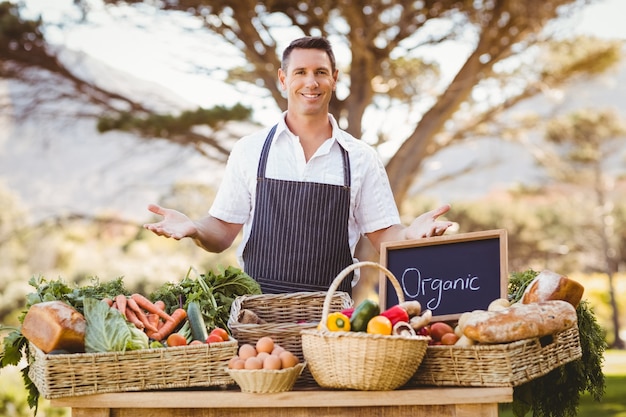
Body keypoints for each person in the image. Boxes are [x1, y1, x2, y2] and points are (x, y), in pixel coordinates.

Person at [144, 36, 453, 295]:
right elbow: (222, 232)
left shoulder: (359, 157)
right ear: (283, 78)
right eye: (301, 72)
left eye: (320, 72)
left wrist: (412, 234)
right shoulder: (250, 150)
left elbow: (385, 236)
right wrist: (194, 228)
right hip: (257, 316)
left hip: (329, 319)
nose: (311, 82)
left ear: (333, 78)